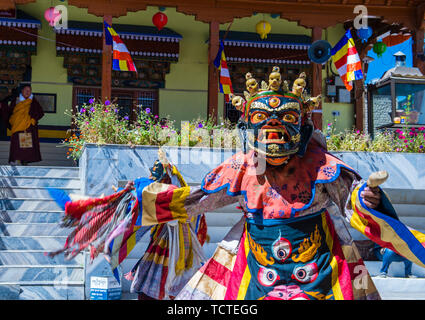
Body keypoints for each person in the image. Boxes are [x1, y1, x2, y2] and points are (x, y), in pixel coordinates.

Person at [48, 68, 425, 300]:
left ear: (304, 127)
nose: (275, 127)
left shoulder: (323, 167)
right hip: (253, 272)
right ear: (249, 128)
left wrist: (368, 196)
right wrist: (133, 201)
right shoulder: (240, 169)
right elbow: (192, 202)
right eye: (263, 118)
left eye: (286, 118)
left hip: (323, 271)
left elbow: (352, 202)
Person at [0, 84, 44, 165]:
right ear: (22, 91)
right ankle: (15, 160)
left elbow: (40, 112)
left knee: (25, 148)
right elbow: (9, 112)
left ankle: (24, 162)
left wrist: (33, 120)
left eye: (29, 90)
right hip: (17, 126)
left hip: (27, 127)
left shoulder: (32, 101)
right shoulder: (16, 100)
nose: (28, 92)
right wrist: (3, 107)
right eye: (26, 90)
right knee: (16, 145)